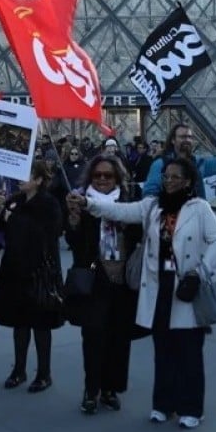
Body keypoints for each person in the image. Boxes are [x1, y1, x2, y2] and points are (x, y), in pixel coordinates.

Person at [77, 157, 216, 430]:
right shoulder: (152, 207)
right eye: (166, 177)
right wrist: (88, 204)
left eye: (175, 177)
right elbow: (120, 211)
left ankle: (192, 407)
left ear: (188, 181)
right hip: (158, 286)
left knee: (189, 350)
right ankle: (163, 405)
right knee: (163, 348)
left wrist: (201, 271)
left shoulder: (200, 208)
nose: (169, 181)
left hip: (186, 285)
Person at [64, 154, 146, 415]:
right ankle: (92, 390)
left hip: (122, 280)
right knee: (93, 336)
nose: (101, 179)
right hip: (94, 275)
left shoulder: (128, 203)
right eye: (97, 175)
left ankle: (111, 389)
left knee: (119, 338)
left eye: (107, 175)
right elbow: (75, 244)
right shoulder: (79, 200)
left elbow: (140, 234)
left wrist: (125, 225)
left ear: (117, 178)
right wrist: (74, 221)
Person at [0, 160, 64, 393]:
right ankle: (19, 369)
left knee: (41, 325)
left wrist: (14, 219)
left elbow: (47, 233)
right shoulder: (15, 200)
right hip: (15, 269)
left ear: (39, 180)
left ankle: (44, 373)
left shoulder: (48, 203)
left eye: (28, 174)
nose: (21, 178)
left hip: (39, 270)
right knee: (19, 322)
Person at [143, 124, 216, 198]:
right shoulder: (160, 164)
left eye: (190, 137)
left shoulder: (199, 163)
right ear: (173, 140)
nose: (187, 140)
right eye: (183, 137)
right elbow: (150, 193)